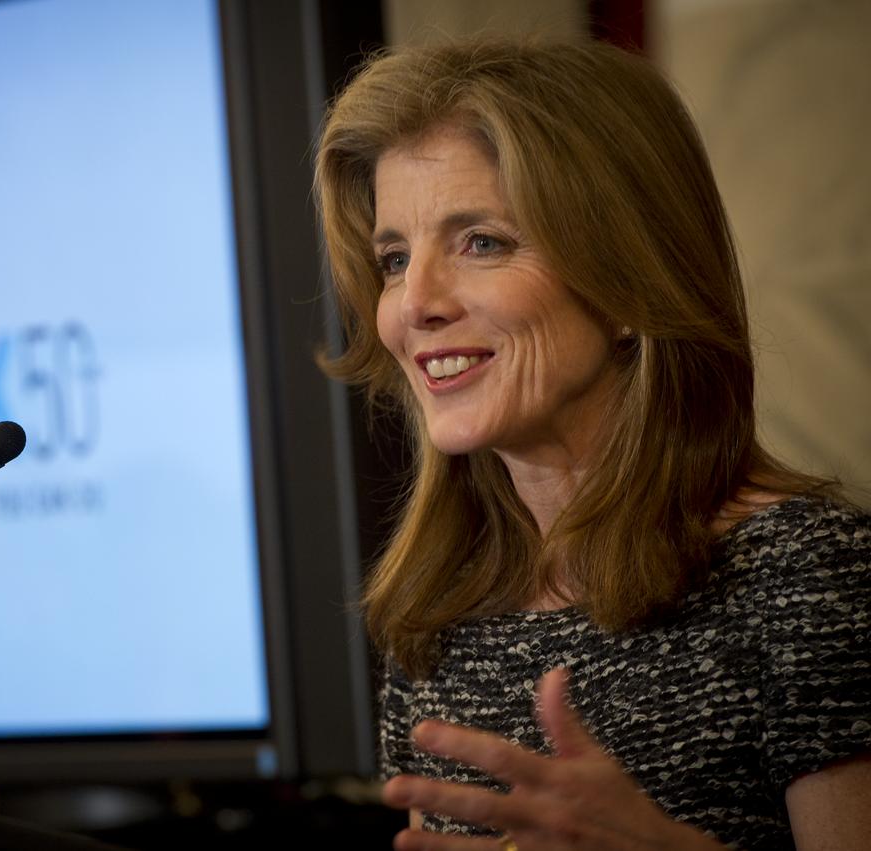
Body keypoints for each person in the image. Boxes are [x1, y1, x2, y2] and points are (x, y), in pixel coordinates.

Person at [314, 39, 870, 850]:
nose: (413, 304)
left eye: (482, 242)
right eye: (394, 258)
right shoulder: (438, 616)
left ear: (627, 285)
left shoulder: (807, 572)